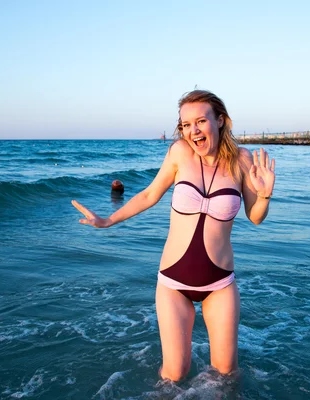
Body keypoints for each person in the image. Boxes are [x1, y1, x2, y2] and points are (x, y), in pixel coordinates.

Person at [71, 90, 276, 381]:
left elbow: (255, 217)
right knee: (174, 375)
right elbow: (149, 194)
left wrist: (265, 195)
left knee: (226, 374)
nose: (193, 130)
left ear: (220, 121)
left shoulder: (243, 160)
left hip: (219, 284)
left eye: (200, 121)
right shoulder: (179, 152)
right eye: (185, 124)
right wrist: (108, 221)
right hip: (173, 282)